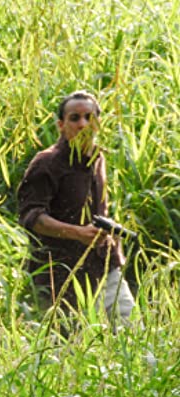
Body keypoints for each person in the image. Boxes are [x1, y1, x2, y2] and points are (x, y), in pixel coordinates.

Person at [17, 90, 135, 325]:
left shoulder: (98, 158)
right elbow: (32, 217)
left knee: (131, 330)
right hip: (61, 274)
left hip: (103, 266)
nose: (83, 124)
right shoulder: (46, 163)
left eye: (89, 117)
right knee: (70, 340)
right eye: (75, 118)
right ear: (61, 125)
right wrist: (77, 233)